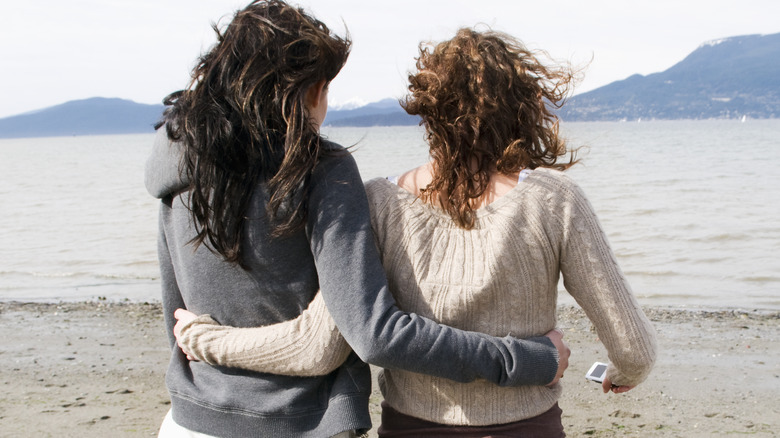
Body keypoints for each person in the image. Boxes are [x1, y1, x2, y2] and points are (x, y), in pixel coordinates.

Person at [169, 27, 658, 437]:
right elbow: (635, 348)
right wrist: (621, 372)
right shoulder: (555, 199)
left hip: (411, 427)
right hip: (527, 426)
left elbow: (319, 344)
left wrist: (207, 339)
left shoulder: (378, 201)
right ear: (523, 106)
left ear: (428, 113)